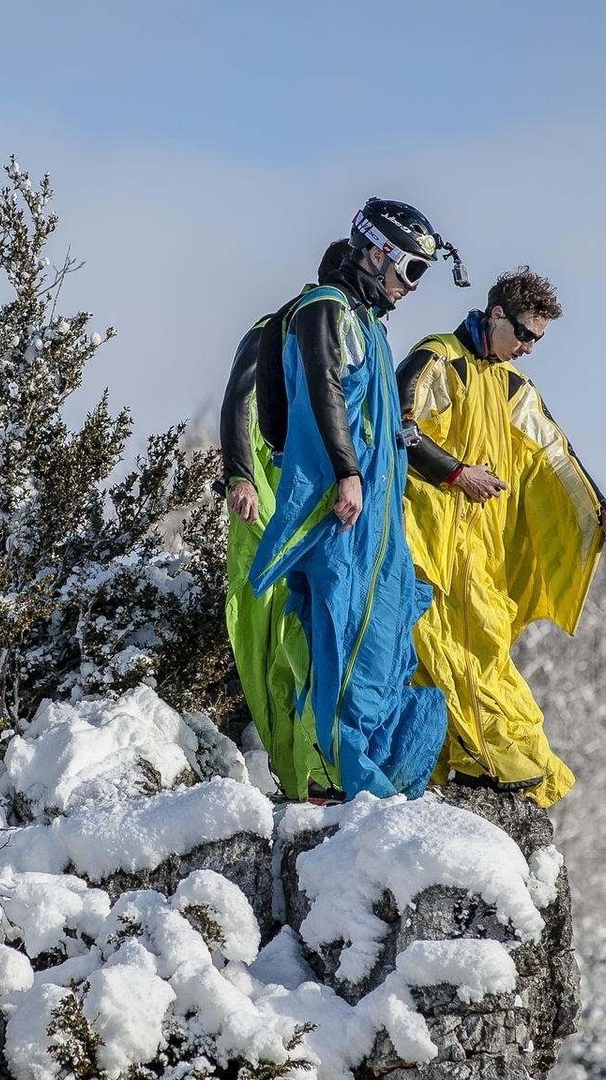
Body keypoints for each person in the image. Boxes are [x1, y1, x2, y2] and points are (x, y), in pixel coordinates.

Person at [396, 267, 606, 807]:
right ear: (496, 314)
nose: (529, 348)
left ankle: (480, 757)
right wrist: (456, 472)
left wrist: (600, 511)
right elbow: (397, 425)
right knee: (442, 645)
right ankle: (481, 758)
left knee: (486, 641)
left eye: (539, 340)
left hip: (479, 546)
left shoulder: (511, 385)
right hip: (426, 538)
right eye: (525, 334)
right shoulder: (440, 360)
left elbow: (555, 453)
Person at [248, 199, 455, 800]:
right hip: (345, 513)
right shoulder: (325, 310)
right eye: (410, 270)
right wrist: (346, 472)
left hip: (379, 523)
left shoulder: (369, 325)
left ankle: (364, 773)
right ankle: (331, 774)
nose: (411, 287)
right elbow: (322, 388)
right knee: (339, 633)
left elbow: (387, 423)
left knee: (382, 643)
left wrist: (446, 472)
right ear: (375, 252)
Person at [219, 242, 353, 800]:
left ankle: (316, 760)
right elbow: (239, 399)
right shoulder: (281, 325)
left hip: (305, 488)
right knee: (271, 614)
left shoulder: (346, 336)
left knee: (308, 620)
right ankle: (294, 761)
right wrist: (240, 476)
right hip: (268, 484)